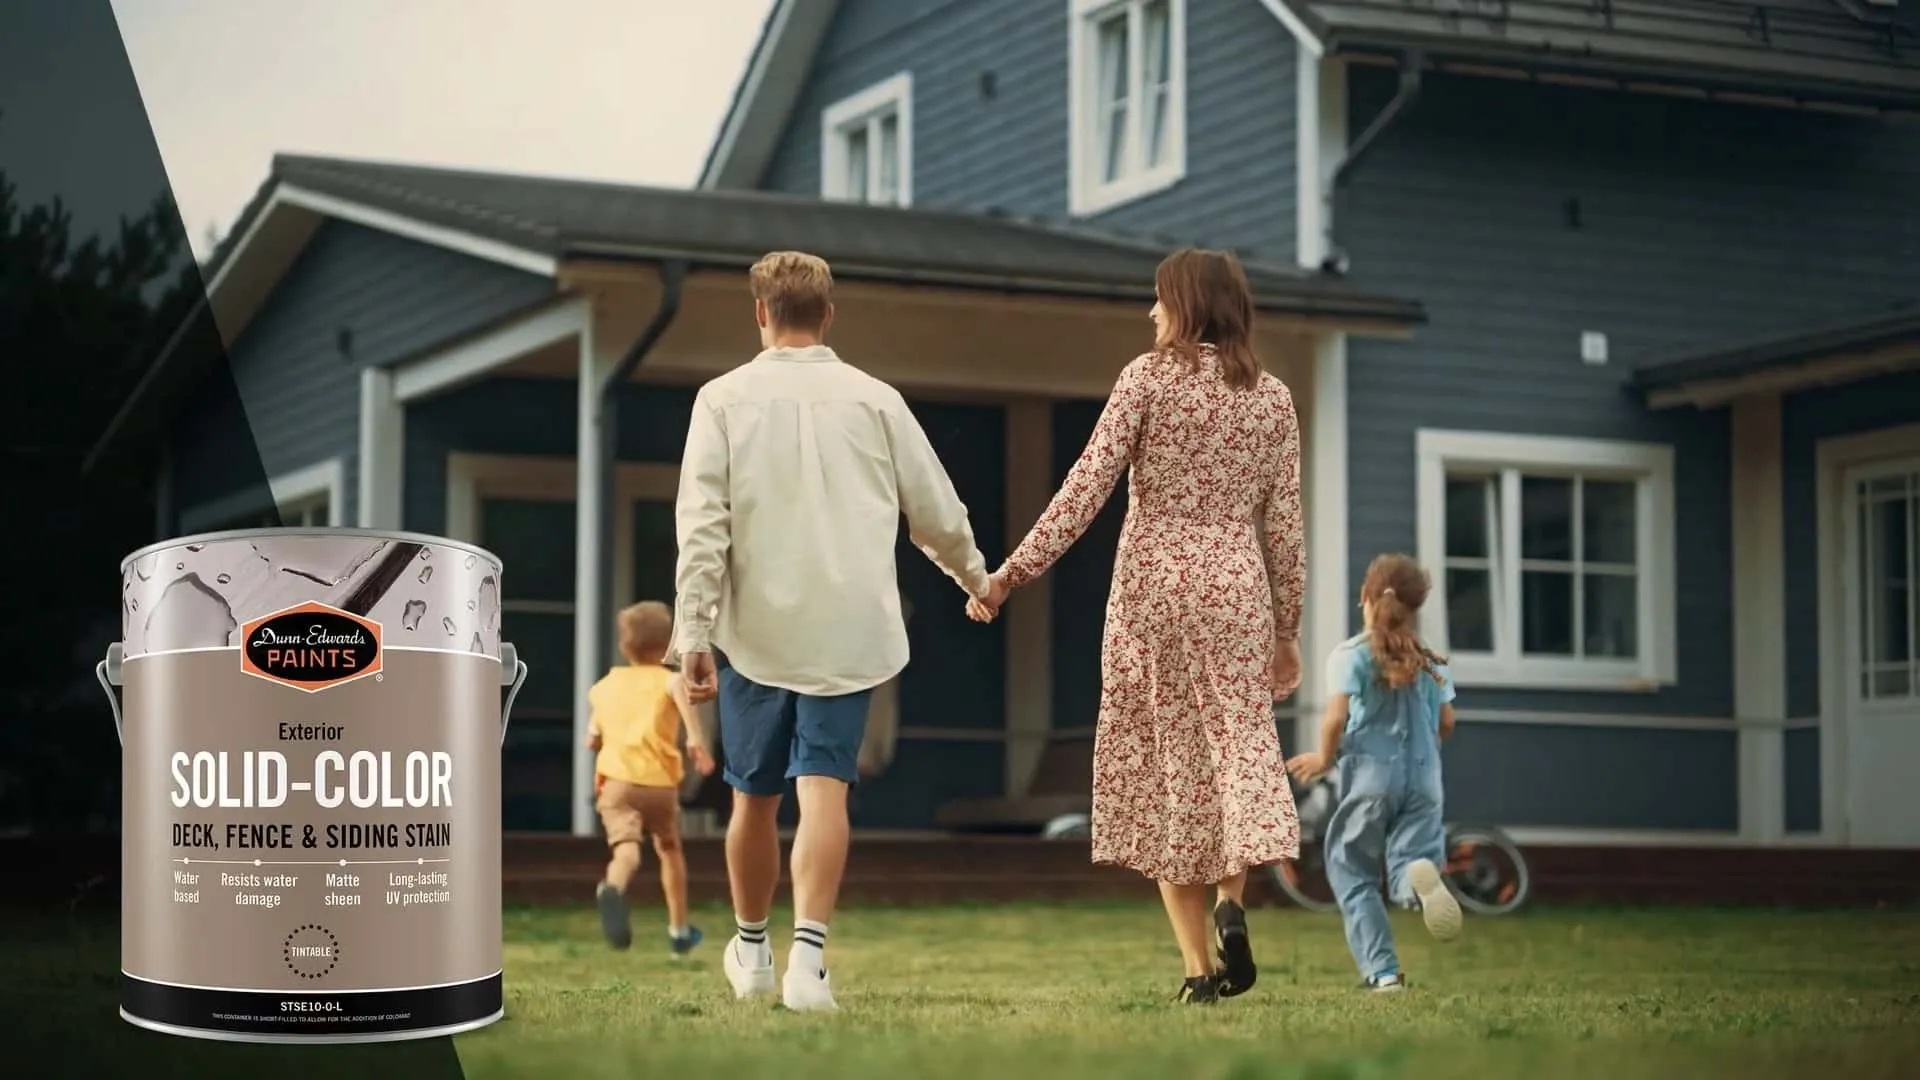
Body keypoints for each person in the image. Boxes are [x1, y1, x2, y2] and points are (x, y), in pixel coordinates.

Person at [967, 247, 1304, 1004]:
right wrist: (1289, 630)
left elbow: (1086, 487)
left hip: (1152, 588)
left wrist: (1012, 572)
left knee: (1166, 770)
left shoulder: (1147, 378)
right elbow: (1284, 526)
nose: (1150, 314)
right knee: (1241, 747)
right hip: (1236, 589)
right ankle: (1232, 904)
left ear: (1182, 305)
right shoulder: (1272, 397)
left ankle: (1196, 975)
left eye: (1158, 301)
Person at [670, 250, 1002, 1012]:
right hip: (851, 633)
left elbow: (702, 528)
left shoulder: (720, 400)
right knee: (825, 792)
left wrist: (693, 634)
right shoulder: (877, 400)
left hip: (757, 632)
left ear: (760, 313)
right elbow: (937, 511)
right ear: (829, 314)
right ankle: (808, 963)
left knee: (753, 798)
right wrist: (976, 582)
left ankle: (752, 951)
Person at [1285, 553, 1465, 992]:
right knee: (1411, 857)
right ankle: (1416, 882)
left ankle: (1383, 973)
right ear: (1415, 608)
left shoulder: (1351, 656)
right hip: (1425, 778)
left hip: (1370, 776)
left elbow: (1334, 719)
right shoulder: (1430, 660)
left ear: (1364, 597)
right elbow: (1447, 723)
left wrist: (1324, 759)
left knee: (1351, 867)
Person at [587, 600, 717, 956]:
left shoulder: (605, 686)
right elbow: (686, 710)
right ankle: (678, 932)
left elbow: (591, 738)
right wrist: (696, 742)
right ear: (668, 644)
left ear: (624, 646)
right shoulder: (670, 680)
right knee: (670, 849)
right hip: (660, 785)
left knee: (626, 850)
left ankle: (614, 886)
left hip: (617, 784)